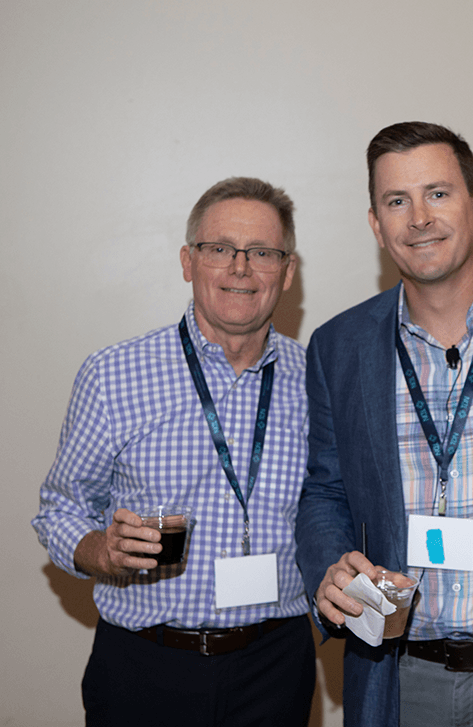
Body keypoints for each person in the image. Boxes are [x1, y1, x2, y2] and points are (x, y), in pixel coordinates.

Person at [295, 121, 473, 727]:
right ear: (376, 224)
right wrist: (330, 565)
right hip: (398, 675)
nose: (418, 217)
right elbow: (324, 488)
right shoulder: (338, 346)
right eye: (397, 201)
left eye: (438, 193)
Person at [33, 177, 316, 726]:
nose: (240, 268)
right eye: (219, 250)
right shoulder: (113, 375)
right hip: (145, 666)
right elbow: (59, 511)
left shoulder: (316, 381)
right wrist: (102, 551)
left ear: (287, 271)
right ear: (189, 262)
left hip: (275, 666)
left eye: (262, 252)